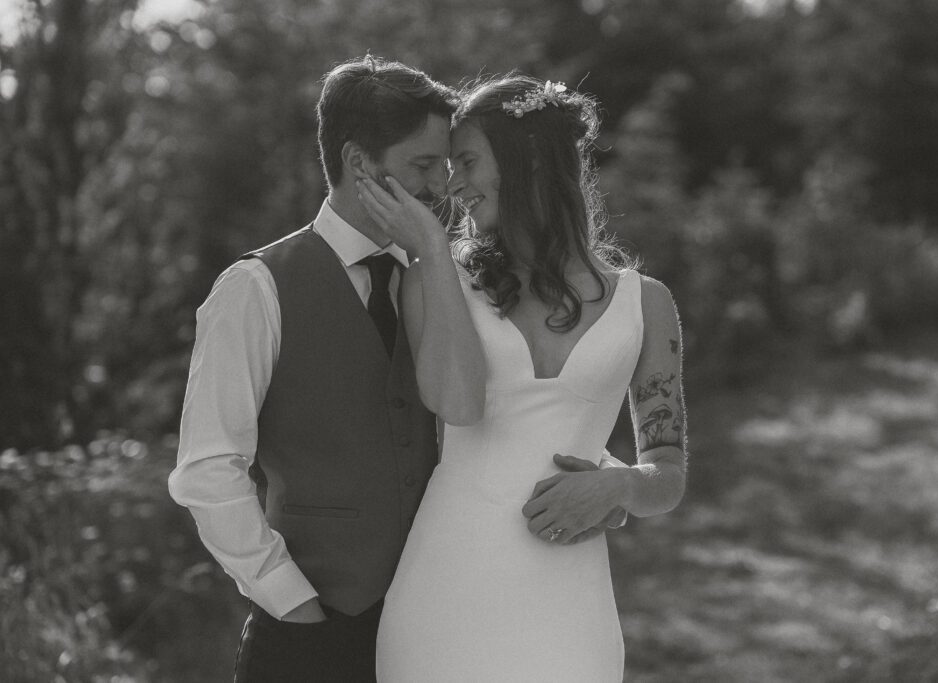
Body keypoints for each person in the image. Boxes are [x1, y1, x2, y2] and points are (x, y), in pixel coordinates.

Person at [167, 56, 621, 682]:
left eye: (448, 164)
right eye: (423, 165)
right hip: (309, 629)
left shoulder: (440, 282)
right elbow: (208, 469)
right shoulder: (256, 288)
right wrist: (291, 603)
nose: (443, 186)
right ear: (359, 163)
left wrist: (607, 480)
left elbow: (512, 411)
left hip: (438, 618)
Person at [359, 75, 689, 682]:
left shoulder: (647, 304)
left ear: (529, 160)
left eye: (467, 161)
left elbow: (667, 470)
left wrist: (618, 488)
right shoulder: (434, 280)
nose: (452, 185)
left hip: (568, 596)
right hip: (446, 588)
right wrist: (432, 255)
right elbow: (452, 403)